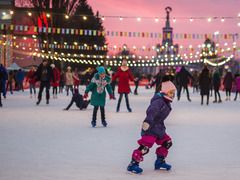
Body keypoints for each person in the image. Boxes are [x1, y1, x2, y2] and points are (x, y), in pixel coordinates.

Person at [127, 80, 176, 174]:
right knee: (145, 147)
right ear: (165, 91)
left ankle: (159, 162)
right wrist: (147, 122)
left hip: (159, 128)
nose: (172, 95)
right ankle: (133, 164)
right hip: (150, 127)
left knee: (167, 142)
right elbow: (151, 111)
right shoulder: (159, 101)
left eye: (173, 93)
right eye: (170, 92)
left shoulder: (166, 102)